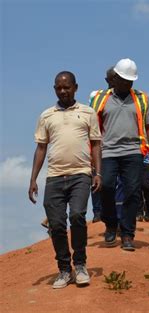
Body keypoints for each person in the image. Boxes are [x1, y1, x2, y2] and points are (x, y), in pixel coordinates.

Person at [28, 71, 102, 289]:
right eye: (59, 88)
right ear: (54, 89)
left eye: (67, 87)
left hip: (81, 173)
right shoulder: (46, 115)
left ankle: (80, 265)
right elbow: (41, 147)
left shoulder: (88, 113)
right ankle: (64, 269)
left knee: (78, 215)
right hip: (54, 177)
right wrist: (33, 179)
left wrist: (98, 173)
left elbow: (96, 144)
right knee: (57, 224)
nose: (63, 91)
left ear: (75, 87)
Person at [91, 58, 149, 251]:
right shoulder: (100, 98)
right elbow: (91, 127)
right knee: (105, 187)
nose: (128, 84)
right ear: (115, 79)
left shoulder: (142, 98)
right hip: (108, 152)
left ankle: (128, 234)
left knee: (132, 192)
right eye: (124, 80)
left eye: (131, 81)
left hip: (133, 152)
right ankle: (111, 224)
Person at [89, 67, 116, 223]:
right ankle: (98, 212)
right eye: (111, 78)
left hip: (115, 148)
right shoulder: (99, 100)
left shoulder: (124, 98)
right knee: (96, 180)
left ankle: (110, 212)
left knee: (113, 184)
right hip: (98, 146)